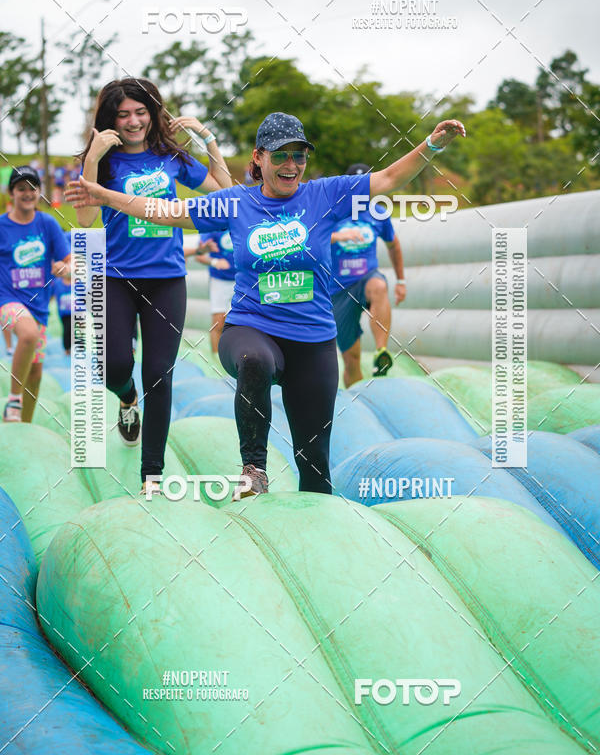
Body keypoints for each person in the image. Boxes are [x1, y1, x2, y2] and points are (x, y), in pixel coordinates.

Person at [66, 112, 466, 499]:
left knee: (314, 466)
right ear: (259, 158)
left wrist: (431, 144)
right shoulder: (235, 202)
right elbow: (166, 211)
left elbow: (389, 177)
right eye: (280, 155)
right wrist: (101, 194)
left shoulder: (327, 193)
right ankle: (253, 469)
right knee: (254, 360)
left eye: (299, 155)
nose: (291, 164)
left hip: (312, 341)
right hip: (250, 328)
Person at [74, 77, 232, 496]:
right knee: (113, 367)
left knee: (159, 374)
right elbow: (87, 223)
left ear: (153, 113)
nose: (133, 121)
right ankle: (127, 400)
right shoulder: (104, 162)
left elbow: (225, 194)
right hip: (116, 279)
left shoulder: (171, 157)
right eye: (123, 114)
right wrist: (91, 160)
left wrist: (208, 140)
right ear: (110, 119)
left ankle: (152, 477)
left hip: (166, 280)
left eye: (141, 112)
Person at [0, 166, 71, 422]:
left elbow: (69, 261)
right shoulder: (2, 226)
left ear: (39, 192)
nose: (27, 193)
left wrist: (64, 267)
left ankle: (24, 424)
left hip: (39, 306)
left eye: (32, 188)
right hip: (7, 300)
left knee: (36, 373)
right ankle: (14, 401)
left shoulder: (48, 223)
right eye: (21, 189)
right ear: (12, 194)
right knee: (27, 334)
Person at [330, 163, 407, 387]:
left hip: (366, 277)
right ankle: (356, 400)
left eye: (363, 188)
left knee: (379, 286)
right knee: (351, 360)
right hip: (338, 289)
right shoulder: (332, 213)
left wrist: (401, 281)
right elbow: (311, 238)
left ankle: (381, 351)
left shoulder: (378, 213)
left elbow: (394, 246)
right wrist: (338, 237)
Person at [184, 231, 236, 353]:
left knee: (244, 324)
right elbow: (199, 255)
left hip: (243, 279)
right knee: (218, 324)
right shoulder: (214, 226)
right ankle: (217, 362)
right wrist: (215, 262)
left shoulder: (243, 220)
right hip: (220, 280)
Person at [52, 274, 72, 355]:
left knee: (75, 328)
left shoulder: (78, 282)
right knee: (66, 329)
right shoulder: (57, 283)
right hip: (64, 313)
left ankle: (75, 346)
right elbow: (51, 294)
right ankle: (67, 348)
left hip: (76, 311)